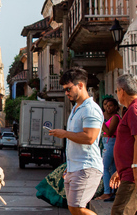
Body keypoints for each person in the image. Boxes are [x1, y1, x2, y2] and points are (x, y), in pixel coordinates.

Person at [49, 67, 103, 215]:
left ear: (80, 85)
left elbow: (90, 138)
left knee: (77, 207)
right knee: (74, 208)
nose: (66, 93)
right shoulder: (76, 108)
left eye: (68, 89)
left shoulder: (90, 109)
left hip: (87, 167)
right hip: (76, 167)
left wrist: (65, 133)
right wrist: (70, 166)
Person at [109, 74, 137, 215]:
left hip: (132, 175)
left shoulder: (134, 109)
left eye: (116, 91)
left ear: (122, 91)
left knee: (120, 212)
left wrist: (134, 167)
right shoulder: (131, 109)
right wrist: (119, 170)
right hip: (128, 173)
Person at [96, 97, 121, 201]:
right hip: (109, 143)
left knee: (105, 168)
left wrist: (101, 122)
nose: (108, 107)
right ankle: (113, 192)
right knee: (112, 168)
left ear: (115, 107)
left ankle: (107, 192)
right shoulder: (112, 117)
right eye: (106, 105)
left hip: (110, 143)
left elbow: (110, 132)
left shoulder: (115, 117)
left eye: (110, 105)